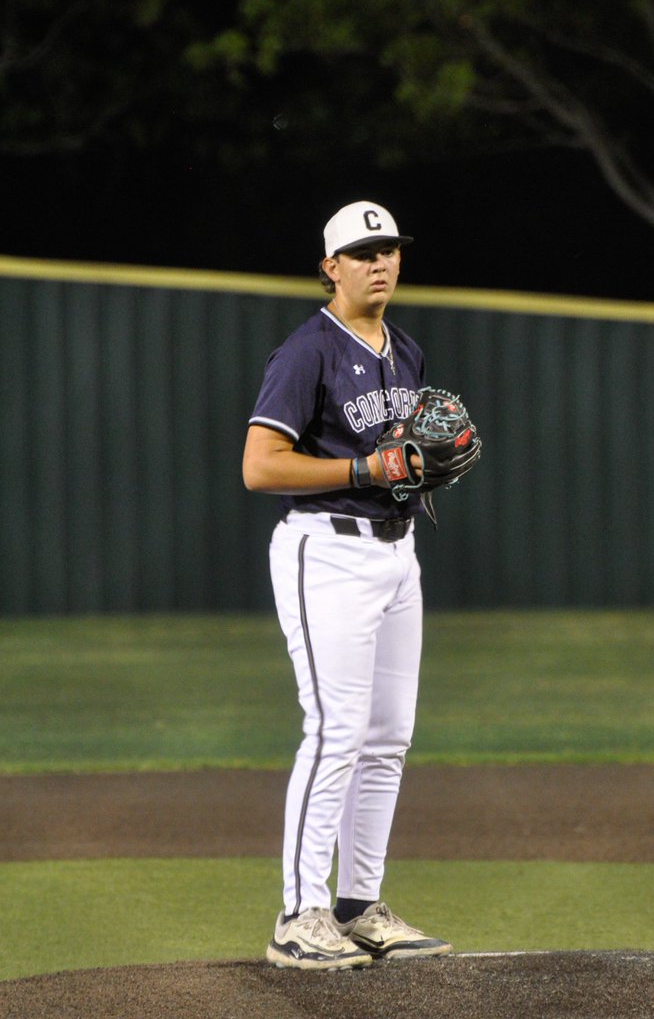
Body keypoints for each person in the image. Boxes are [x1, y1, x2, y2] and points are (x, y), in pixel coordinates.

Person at [242, 201, 452, 970]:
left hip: (397, 555)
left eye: (389, 248)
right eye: (362, 252)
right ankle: (300, 915)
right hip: (323, 552)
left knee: (388, 736)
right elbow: (260, 467)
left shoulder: (407, 353)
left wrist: (420, 470)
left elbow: (402, 460)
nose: (379, 262)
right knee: (334, 731)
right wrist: (365, 469)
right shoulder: (307, 352)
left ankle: (360, 905)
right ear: (329, 267)